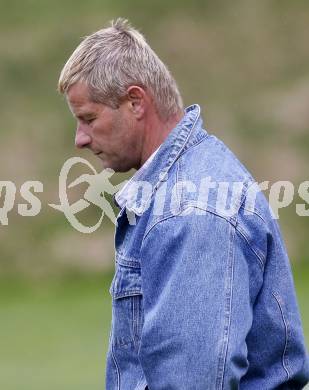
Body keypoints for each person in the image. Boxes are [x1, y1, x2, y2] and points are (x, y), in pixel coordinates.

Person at [58, 18, 309, 389]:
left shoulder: (189, 213)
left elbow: (194, 380)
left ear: (135, 101)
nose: (80, 138)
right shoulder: (189, 183)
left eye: (89, 118)